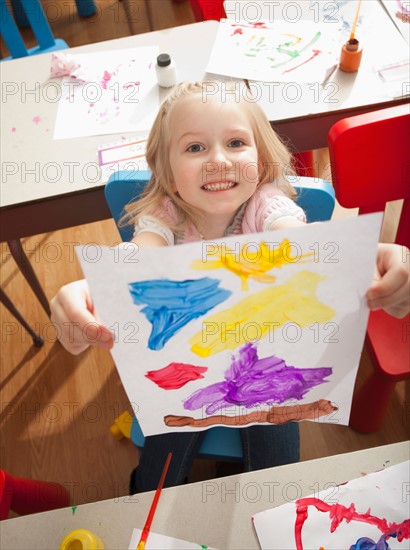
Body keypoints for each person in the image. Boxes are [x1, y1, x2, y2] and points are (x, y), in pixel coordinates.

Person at [50, 81, 410, 493]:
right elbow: (136, 259)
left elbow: (305, 248)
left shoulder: (266, 206)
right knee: (158, 468)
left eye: (236, 142)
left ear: (259, 158)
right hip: (188, 370)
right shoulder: (165, 217)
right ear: (168, 175)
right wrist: (93, 292)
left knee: (276, 473)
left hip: (268, 368)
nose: (218, 160)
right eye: (195, 148)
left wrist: (370, 262)